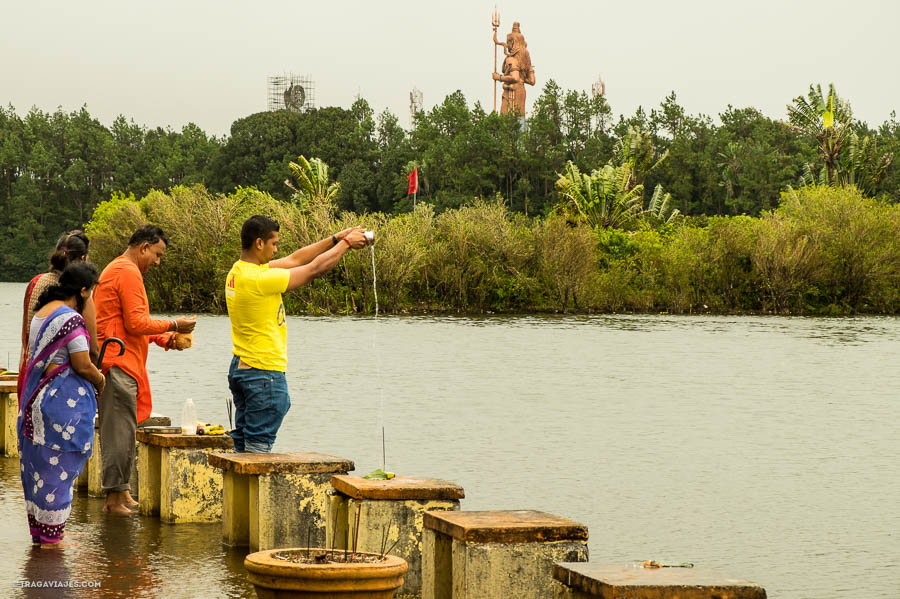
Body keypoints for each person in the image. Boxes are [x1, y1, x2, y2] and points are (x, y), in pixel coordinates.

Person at [225, 216, 368, 453]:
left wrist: (337, 238)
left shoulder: (239, 271)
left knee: (243, 447)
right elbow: (314, 269)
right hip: (263, 373)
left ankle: (235, 490)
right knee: (257, 451)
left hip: (243, 368)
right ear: (259, 243)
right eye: (274, 244)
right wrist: (346, 245)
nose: (277, 250)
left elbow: (296, 259)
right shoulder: (259, 279)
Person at [93, 225, 196, 514]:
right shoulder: (126, 270)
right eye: (157, 254)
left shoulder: (123, 269)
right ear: (144, 247)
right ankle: (113, 500)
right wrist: (174, 325)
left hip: (124, 360)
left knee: (125, 430)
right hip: (117, 362)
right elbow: (137, 323)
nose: (158, 261)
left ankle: (122, 492)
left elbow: (131, 323)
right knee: (118, 433)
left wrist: (166, 339)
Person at [18, 262, 106, 547]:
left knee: (41, 471)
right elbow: (82, 364)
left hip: (37, 402)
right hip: (59, 406)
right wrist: (100, 380)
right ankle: (52, 541)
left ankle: (43, 534)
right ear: (82, 291)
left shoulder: (41, 313)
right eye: (90, 293)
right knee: (59, 472)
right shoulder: (70, 318)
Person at [18, 231, 96, 397]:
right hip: (61, 385)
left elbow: (25, 335)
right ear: (82, 259)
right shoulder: (80, 294)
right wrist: (98, 380)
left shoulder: (36, 281)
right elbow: (92, 350)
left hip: (29, 373)